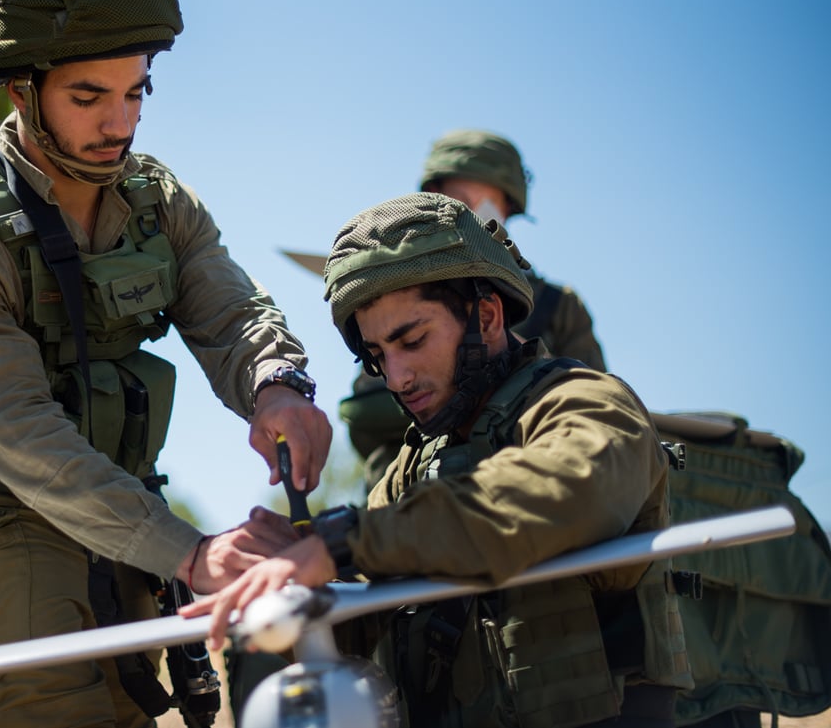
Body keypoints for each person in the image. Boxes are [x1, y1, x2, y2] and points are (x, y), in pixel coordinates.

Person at [0, 0, 330, 728]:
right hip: (2, 523)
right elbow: (21, 435)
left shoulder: (156, 200)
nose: (119, 122)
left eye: (136, 92)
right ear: (23, 93)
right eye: (90, 96)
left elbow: (230, 311)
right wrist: (189, 554)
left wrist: (278, 386)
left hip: (126, 515)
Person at [186, 193, 692, 728]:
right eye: (379, 356)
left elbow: (558, 494)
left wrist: (343, 542)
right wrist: (295, 589)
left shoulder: (585, 403)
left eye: (413, 340)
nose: (397, 377)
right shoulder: (414, 465)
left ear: (488, 317)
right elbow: (370, 626)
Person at [341, 129, 606, 492]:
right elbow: (365, 416)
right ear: (432, 198)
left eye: (490, 209)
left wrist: (504, 365)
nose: (476, 220)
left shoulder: (557, 305)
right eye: (461, 203)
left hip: (524, 483)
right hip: (414, 492)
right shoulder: (399, 296)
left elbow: (591, 409)